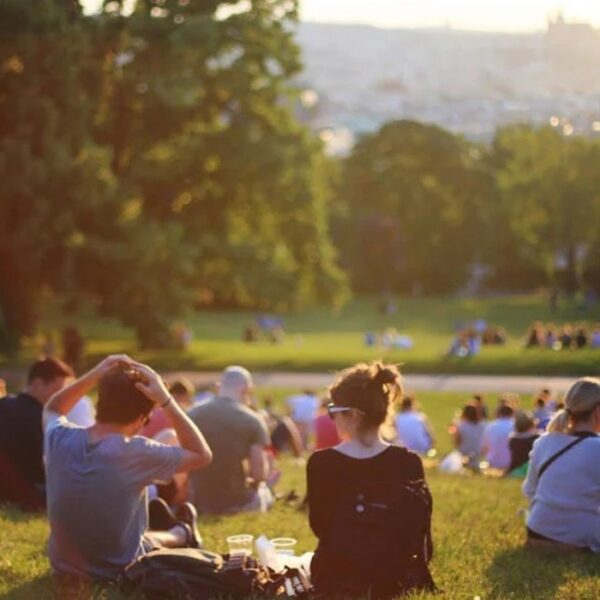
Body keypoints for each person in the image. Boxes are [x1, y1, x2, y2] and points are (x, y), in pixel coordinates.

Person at [43, 355, 213, 582]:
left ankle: (177, 530)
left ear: (100, 404)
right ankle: (183, 532)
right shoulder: (137, 452)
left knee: (137, 537)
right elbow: (202, 455)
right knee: (145, 543)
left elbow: (53, 407)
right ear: (142, 419)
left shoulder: (60, 438)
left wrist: (96, 373)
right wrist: (165, 399)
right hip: (119, 568)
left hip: (64, 568)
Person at [307, 361, 434, 599]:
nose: (331, 418)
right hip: (396, 576)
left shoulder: (322, 463)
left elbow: (320, 526)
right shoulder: (409, 462)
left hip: (338, 573)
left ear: (353, 416)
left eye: (334, 411)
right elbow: (417, 528)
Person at [523, 378, 600, 551]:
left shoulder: (543, 442)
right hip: (578, 536)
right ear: (597, 410)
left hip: (537, 531)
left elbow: (529, 491)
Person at [188, 366, 274, 514]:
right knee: (265, 492)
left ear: (219, 387)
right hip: (236, 501)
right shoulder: (253, 419)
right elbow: (258, 473)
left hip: (198, 500)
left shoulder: (192, 413)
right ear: (246, 389)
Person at [0, 358, 73, 510]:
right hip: (28, 490)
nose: (60, 396)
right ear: (38, 383)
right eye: (56, 390)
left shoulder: (4, 404)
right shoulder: (41, 418)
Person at [481, 404, 514, 470]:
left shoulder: (490, 426)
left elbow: (484, 449)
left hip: (492, 462)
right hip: (511, 463)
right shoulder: (515, 426)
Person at [454, 404, 486, 469]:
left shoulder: (460, 426)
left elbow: (457, 443)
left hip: (464, 456)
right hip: (479, 456)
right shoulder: (483, 426)